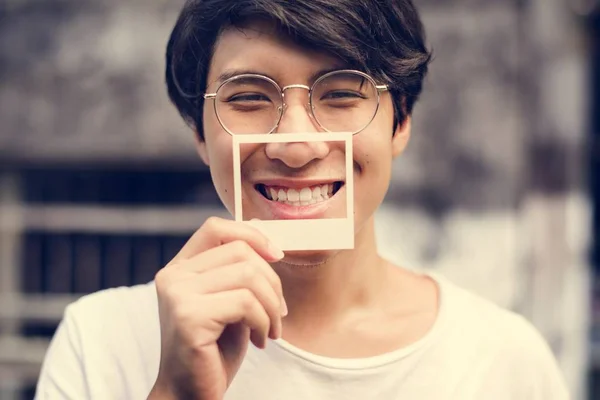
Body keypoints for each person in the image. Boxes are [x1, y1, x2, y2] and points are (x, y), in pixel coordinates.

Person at [35, 1, 570, 399]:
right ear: (200, 133)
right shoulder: (101, 341)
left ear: (400, 120)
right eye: (247, 98)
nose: (295, 146)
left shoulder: (506, 359)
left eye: (340, 94)